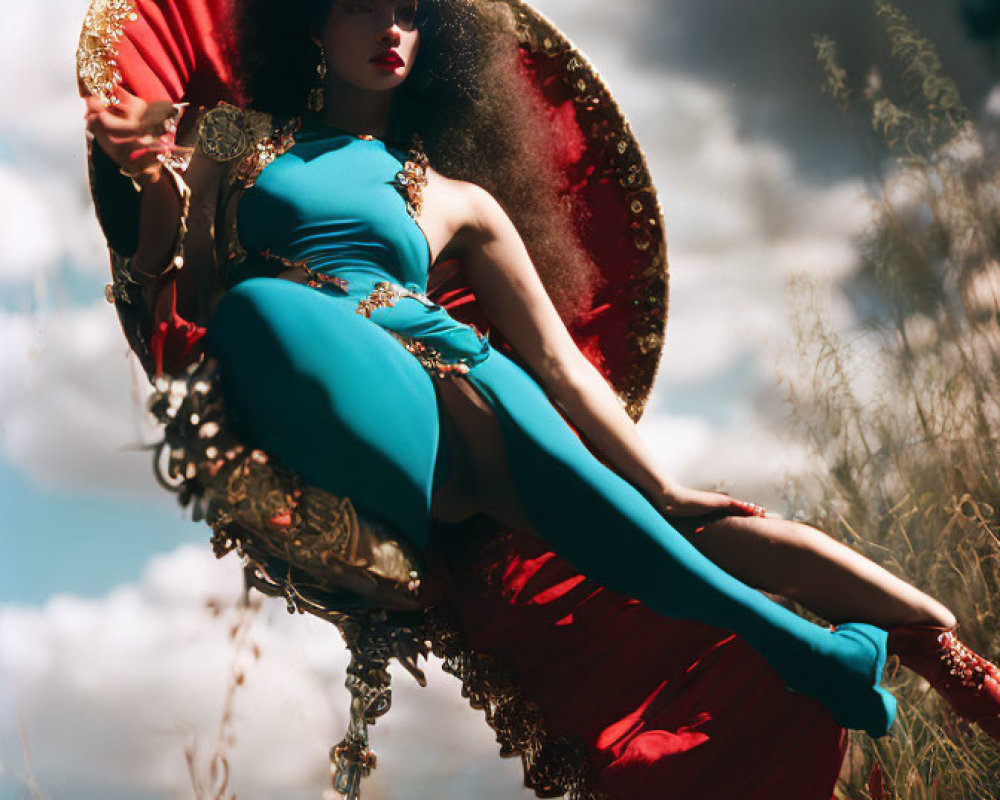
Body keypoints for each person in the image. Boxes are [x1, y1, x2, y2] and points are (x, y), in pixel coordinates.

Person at [82, 0, 1000, 794]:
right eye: (362, 5)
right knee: (258, 311)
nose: (391, 29)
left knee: (671, 544)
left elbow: (560, 366)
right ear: (312, 24)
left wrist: (666, 486)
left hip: (471, 379)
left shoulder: (458, 198)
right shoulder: (236, 137)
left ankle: (871, 649)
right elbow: (181, 271)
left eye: (409, 12)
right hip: (336, 384)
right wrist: (147, 178)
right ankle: (393, 535)